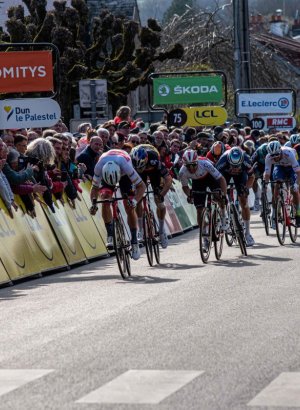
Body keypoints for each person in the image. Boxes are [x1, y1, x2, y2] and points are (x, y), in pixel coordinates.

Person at [90, 149, 146, 260]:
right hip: (108, 173)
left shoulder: (126, 166)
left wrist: (134, 201)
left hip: (125, 174)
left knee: (129, 206)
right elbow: (94, 188)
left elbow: (142, 186)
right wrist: (93, 203)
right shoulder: (99, 167)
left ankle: (134, 241)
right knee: (105, 199)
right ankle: (110, 234)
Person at [178, 149, 228, 241]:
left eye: (193, 165)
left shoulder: (205, 164)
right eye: (188, 166)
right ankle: (204, 235)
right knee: (199, 210)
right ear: (184, 165)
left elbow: (221, 179)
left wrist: (224, 195)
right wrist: (190, 195)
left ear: (197, 162)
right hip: (197, 182)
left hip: (210, 177)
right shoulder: (182, 172)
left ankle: (224, 217)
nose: (191, 168)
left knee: (218, 196)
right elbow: (185, 187)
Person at [130, 144, 173, 248]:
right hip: (139, 173)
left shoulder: (155, 162)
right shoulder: (130, 161)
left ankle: (162, 231)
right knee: (138, 198)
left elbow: (168, 179)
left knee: (160, 203)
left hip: (154, 172)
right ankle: (140, 229)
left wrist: (162, 194)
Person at [216, 147, 255, 246]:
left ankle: (247, 233)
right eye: (233, 165)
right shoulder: (223, 161)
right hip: (225, 175)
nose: (235, 168)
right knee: (221, 196)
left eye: (237, 165)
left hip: (241, 176)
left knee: (243, 201)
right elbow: (216, 178)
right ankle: (224, 218)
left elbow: (252, 176)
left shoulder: (246, 160)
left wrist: (246, 188)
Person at [263, 140, 300, 227]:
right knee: (277, 183)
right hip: (279, 167)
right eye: (273, 156)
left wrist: (297, 184)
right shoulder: (268, 157)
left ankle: (298, 214)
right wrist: (265, 183)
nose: (275, 157)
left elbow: (298, 172)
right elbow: (267, 173)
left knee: (295, 190)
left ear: (280, 151)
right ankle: (276, 212)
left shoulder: (289, 153)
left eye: (277, 154)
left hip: (291, 167)